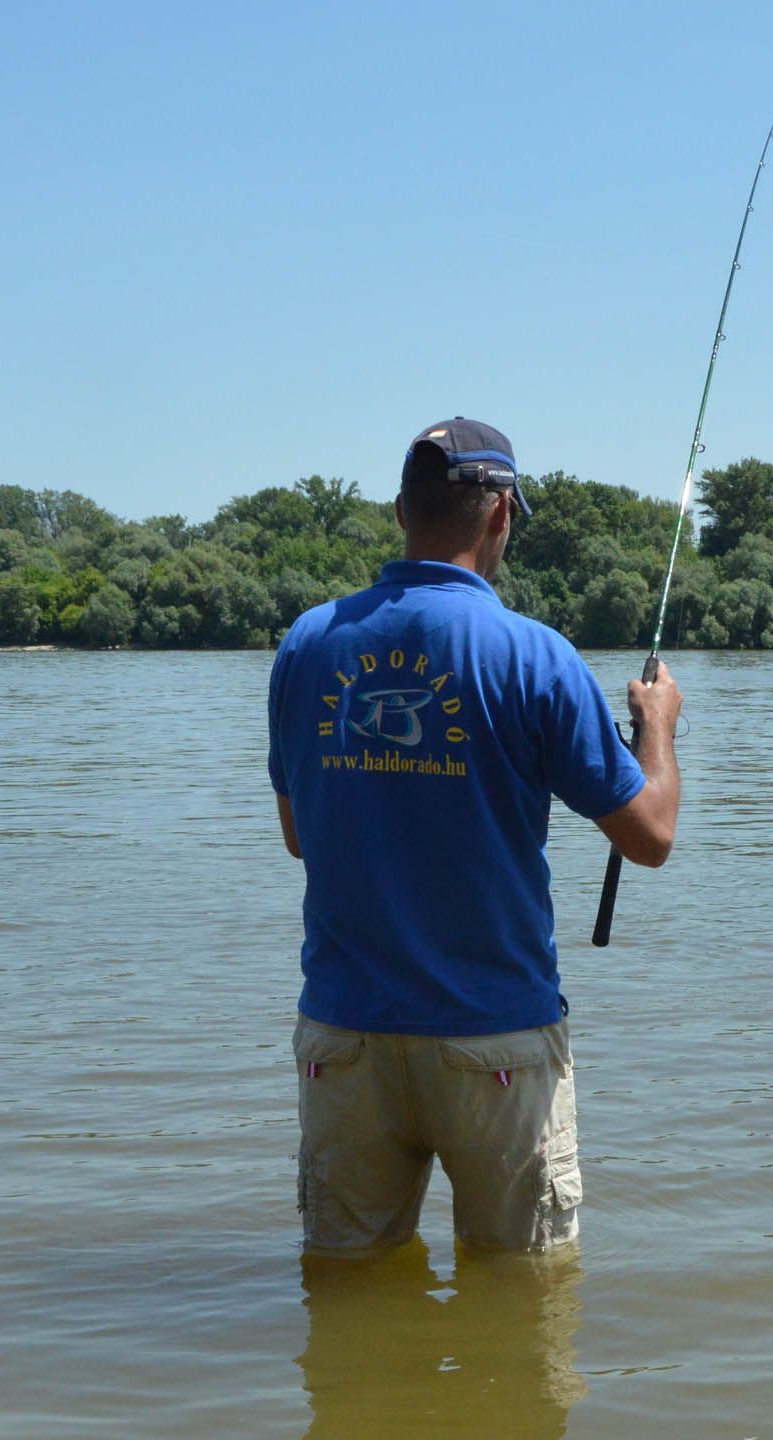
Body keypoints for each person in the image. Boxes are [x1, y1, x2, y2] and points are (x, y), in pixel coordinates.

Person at [267, 416, 682, 1254]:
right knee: (522, 1317)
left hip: (346, 1039)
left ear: (399, 512)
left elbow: (299, 838)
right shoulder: (536, 657)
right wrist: (656, 726)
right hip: (495, 1040)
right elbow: (649, 835)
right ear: (500, 517)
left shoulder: (307, 646)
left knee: (348, 1302)